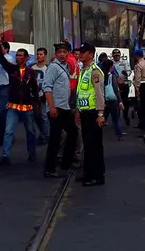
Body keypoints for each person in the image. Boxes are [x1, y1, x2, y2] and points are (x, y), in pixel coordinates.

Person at [0, 45, 39, 166]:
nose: (17, 57)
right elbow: (2, 59)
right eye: (17, 55)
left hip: (27, 107)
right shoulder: (12, 69)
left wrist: (37, 104)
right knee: (8, 131)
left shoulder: (31, 72)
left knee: (30, 132)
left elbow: (34, 89)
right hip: (13, 106)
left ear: (26, 58)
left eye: (20, 55)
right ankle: (5, 156)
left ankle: (32, 153)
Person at [43, 42, 79, 178]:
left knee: (73, 132)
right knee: (55, 138)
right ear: (56, 54)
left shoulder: (66, 66)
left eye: (65, 52)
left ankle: (65, 163)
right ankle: (49, 168)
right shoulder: (53, 67)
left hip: (65, 107)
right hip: (56, 108)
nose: (62, 54)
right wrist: (51, 107)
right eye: (60, 52)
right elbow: (47, 88)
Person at [75, 43, 107, 186]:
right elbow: (80, 92)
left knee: (93, 145)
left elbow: (99, 93)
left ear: (91, 54)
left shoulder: (95, 71)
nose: (80, 54)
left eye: (84, 52)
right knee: (88, 145)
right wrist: (77, 110)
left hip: (93, 112)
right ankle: (90, 173)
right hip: (84, 112)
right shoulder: (84, 70)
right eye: (80, 52)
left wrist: (100, 113)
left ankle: (96, 176)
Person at [100, 59, 124, 140]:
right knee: (116, 120)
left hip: (103, 101)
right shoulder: (112, 76)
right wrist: (120, 101)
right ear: (110, 67)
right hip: (112, 101)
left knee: (102, 118)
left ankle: (98, 136)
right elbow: (116, 90)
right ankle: (119, 135)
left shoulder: (101, 76)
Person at [31, 48, 50, 145]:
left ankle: (46, 135)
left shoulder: (48, 68)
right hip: (33, 96)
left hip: (44, 96)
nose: (39, 56)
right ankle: (43, 133)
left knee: (44, 116)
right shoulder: (31, 68)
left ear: (45, 55)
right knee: (35, 116)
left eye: (41, 54)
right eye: (38, 54)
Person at [133, 49, 145, 133]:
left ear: (137, 56)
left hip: (142, 85)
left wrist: (137, 89)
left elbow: (137, 78)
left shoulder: (138, 65)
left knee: (142, 105)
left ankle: (142, 123)